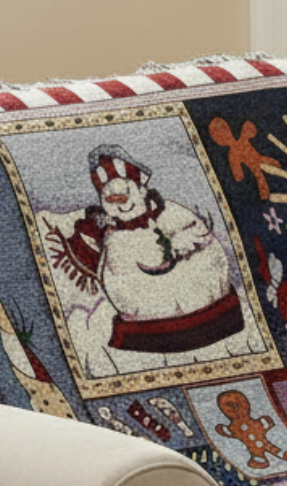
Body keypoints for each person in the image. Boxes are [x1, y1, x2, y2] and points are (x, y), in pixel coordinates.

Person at [46, 144, 247, 360]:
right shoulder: (116, 239)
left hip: (209, 306)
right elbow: (131, 271)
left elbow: (202, 238)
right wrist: (167, 249)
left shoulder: (169, 211)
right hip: (147, 320)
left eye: (126, 195)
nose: (122, 205)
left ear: (141, 190)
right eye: (112, 200)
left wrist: (187, 241)